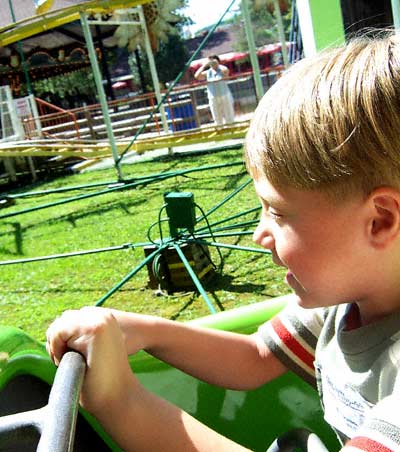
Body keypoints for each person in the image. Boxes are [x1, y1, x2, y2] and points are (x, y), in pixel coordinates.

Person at [46, 31, 400, 451]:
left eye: (278, 212)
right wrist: (142, 331)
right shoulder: (350, 300)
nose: (259, 233)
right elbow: (255, 358)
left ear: (379, 221)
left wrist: (120, 402)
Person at [194, 54, 235, 126]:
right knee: (217, 118)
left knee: (229, 116)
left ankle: (232, 129)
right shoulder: (208, 72)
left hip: (224, 95)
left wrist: (217, 64)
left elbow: (226, 71)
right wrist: (204, 66)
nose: (211, 63)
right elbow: (197, 76)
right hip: (213, 97)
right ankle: (221, 131)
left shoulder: (221, 70)